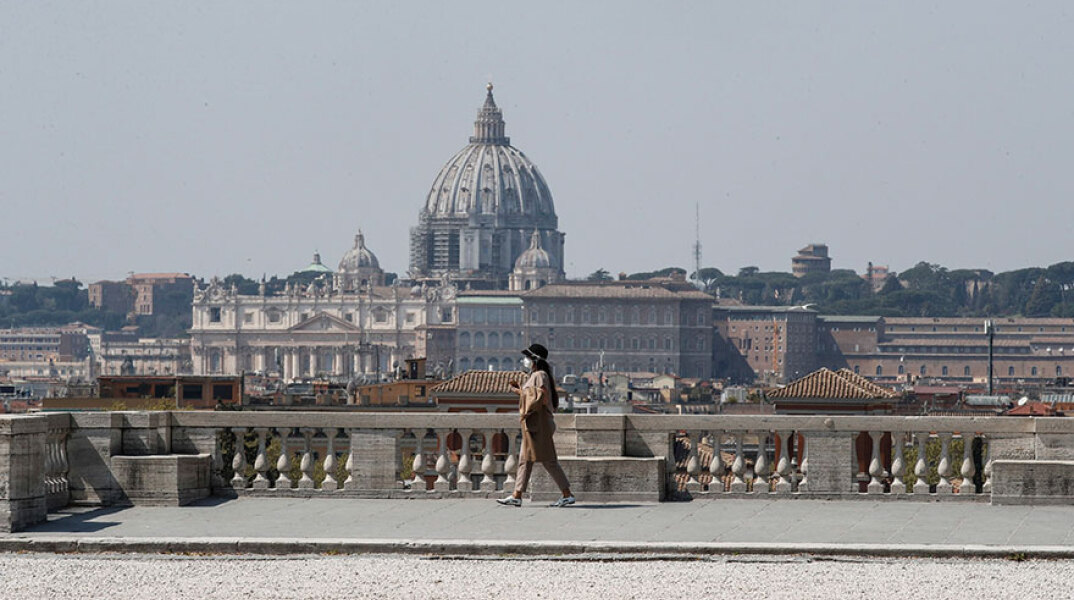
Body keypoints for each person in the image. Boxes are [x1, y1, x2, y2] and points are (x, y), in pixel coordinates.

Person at [496, 343, 576, 508]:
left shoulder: (539, 375)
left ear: (534, 359)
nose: (525, 360)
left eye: (527, 357)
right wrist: (522, 391)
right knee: (526, 460)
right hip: (536, 423)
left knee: (547, 460)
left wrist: (519, 392)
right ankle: (517, 495)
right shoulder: (538, 375)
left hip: (539, 424)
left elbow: (540, 396)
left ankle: (567, 494)